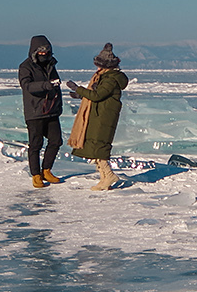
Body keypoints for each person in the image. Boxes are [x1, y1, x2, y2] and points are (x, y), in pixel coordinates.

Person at [67, 43, 131, 190]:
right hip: (99, 115)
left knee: (99, 146)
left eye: (99, 65)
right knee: (94, 146)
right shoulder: (105, 77)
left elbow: (98, 95)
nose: (97, 69)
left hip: (104, 117)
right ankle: (103, 178)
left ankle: (108, 175)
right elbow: (98, 94)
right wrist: (80, 95)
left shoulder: (110, 79)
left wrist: (79, 89)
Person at [19, 35, 65, 188]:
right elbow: (27, 86)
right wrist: (46, 85)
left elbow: (55, 86)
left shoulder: (51, 65)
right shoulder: (26, 67)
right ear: (34, 51)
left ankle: (46, 170)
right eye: (41, 51)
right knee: (36, 144)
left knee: (56, 140)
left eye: (46, 51)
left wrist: (57, 102)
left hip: (51, 110)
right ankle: (36, 175)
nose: (44, 54)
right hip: (35, 111)